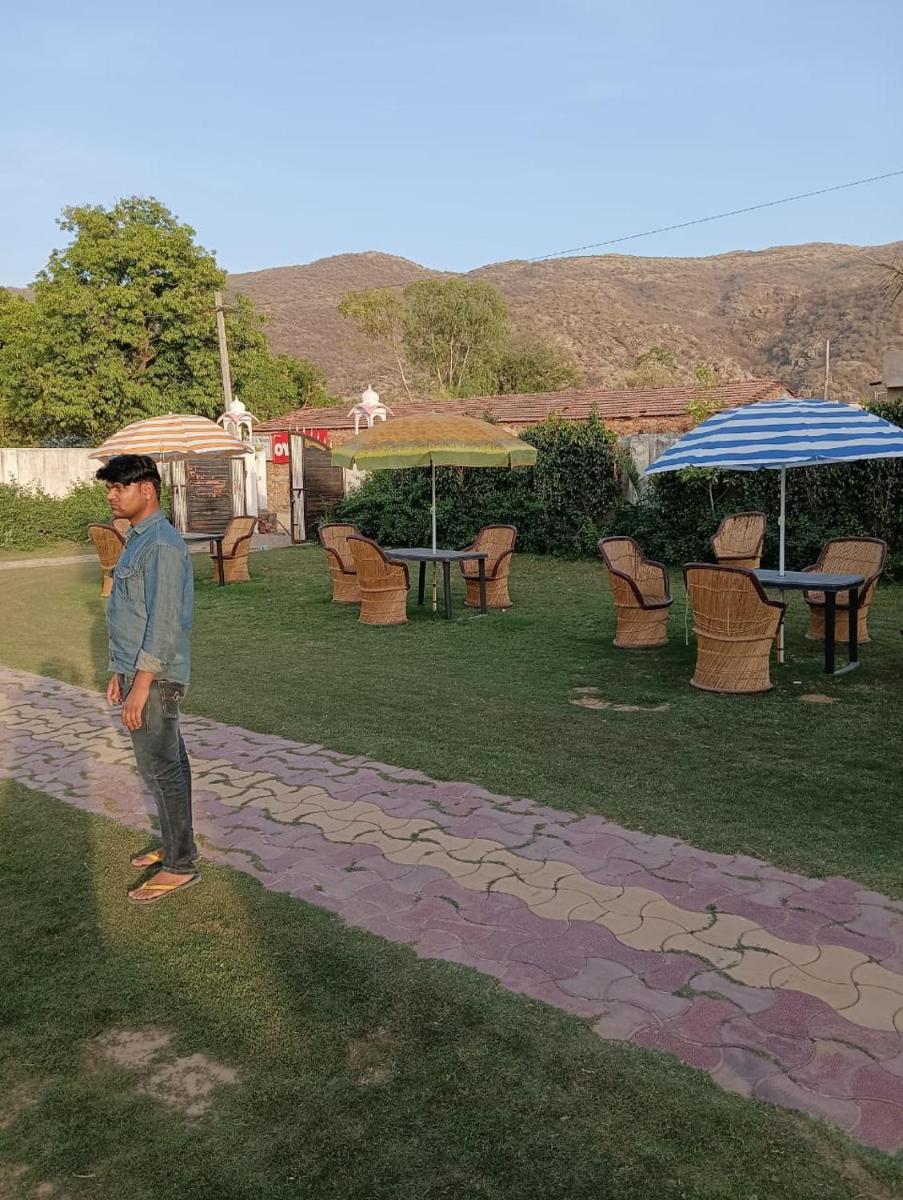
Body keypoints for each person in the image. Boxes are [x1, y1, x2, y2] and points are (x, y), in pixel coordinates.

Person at [96, 454, 199, 905]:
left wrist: (140, 686)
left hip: (156, 678)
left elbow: (163, 623)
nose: (111, 495)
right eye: (110, 488)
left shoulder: (161, 545)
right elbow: (131, 613)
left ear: (147, 490)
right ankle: (177, 844)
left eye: (119, 487)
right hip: (139, 672)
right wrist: (119, 671)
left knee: (162, 768)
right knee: (170, 764)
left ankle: (180, 865)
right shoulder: (138, 539)